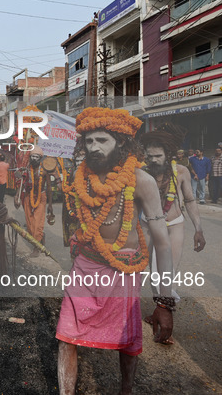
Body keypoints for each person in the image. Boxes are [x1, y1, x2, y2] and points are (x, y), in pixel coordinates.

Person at [56, 107, 174, 395]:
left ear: (121, 142)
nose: (93, 147)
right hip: (85, 265)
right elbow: (73, 219)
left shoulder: (141, 180)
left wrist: (165, 302)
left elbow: (162, 241)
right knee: (66, 336)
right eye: (89, 141)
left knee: (126, 339)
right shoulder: (80, 179)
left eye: (102, 140)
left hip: (124, 269)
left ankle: (127, 389)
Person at [139, 124, 205, 341]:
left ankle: (165, 313)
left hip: (174, 223)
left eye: (158, 156)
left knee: (167, 273)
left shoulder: (181, 172)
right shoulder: (141, 171)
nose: (153, 160)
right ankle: (159, 309)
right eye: (150, 156)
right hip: (147, 225)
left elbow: (190, 200)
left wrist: (198, 228)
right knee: (149, 270)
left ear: (168, 154)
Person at [14, 146, 53, 257]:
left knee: (37, 223)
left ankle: (37, 247)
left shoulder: (45, 170)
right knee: (30, 225)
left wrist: (50, 205)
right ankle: (40, 237)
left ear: (40, 158)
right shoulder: (26, 169)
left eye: (36, 156)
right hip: (27, 197)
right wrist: (17, 196)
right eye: (32, 156)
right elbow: (21, 183)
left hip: (41, 197)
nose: (34, 158)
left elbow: (49, 188)